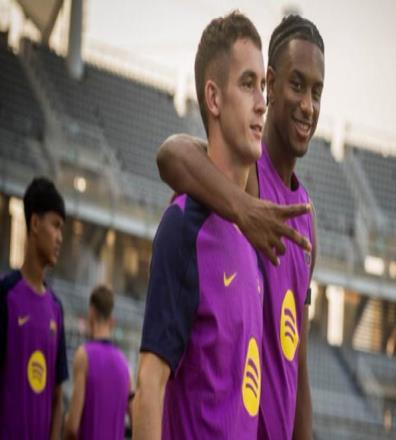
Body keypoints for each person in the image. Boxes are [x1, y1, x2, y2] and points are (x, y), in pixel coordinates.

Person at [156, 14, 325, 439]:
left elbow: (298, 364)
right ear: (271, 84)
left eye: (317, 92)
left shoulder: (307, 218)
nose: (308, 105)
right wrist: (244, 209)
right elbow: (171, 155)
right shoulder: (245, 173)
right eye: (297, 85)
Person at [133, 11, 266, 439]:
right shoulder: (183, 227)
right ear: (213, 98)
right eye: (248, 84)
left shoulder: (251, 239)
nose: (262, 102)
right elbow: (149, 387)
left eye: (263, 86)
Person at [0, 177, 68, 439]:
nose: (60, 238)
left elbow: (58, 396)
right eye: (56, 225)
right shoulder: (6, 294)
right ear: (35, 223)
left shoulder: (56, 309)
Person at [64, 285, 131, 440]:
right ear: (112, 321)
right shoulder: (124, 364)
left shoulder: (84, 355)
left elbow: (72, 427)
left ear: (91, 313)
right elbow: (133, 415)